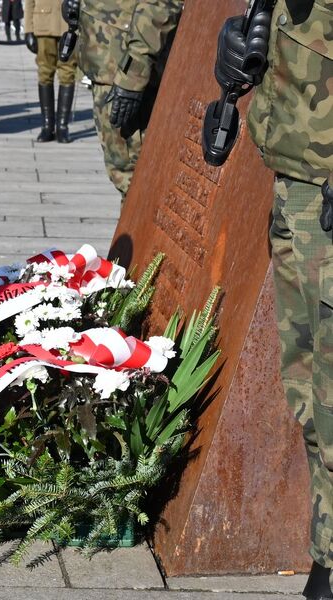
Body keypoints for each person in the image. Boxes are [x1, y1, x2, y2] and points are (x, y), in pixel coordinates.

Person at [213, 1, 332, 597]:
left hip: (324, 187)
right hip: (295, 177)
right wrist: (239, 38)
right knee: (307, 385)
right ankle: (328, 550)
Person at [62, 0, 182, 198]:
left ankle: (138, 219)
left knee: (136, 181)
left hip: (127, 73)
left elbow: (160, 5)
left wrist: (133, 75)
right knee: (123, 174)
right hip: (106, 66)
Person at [23, 0, 76, 143]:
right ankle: (47, 126)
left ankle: (62, 127)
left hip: (69, 24)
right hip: (44, 23)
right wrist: (28, 29)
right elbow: (30, 2)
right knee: (45, 73)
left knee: (68, 73)